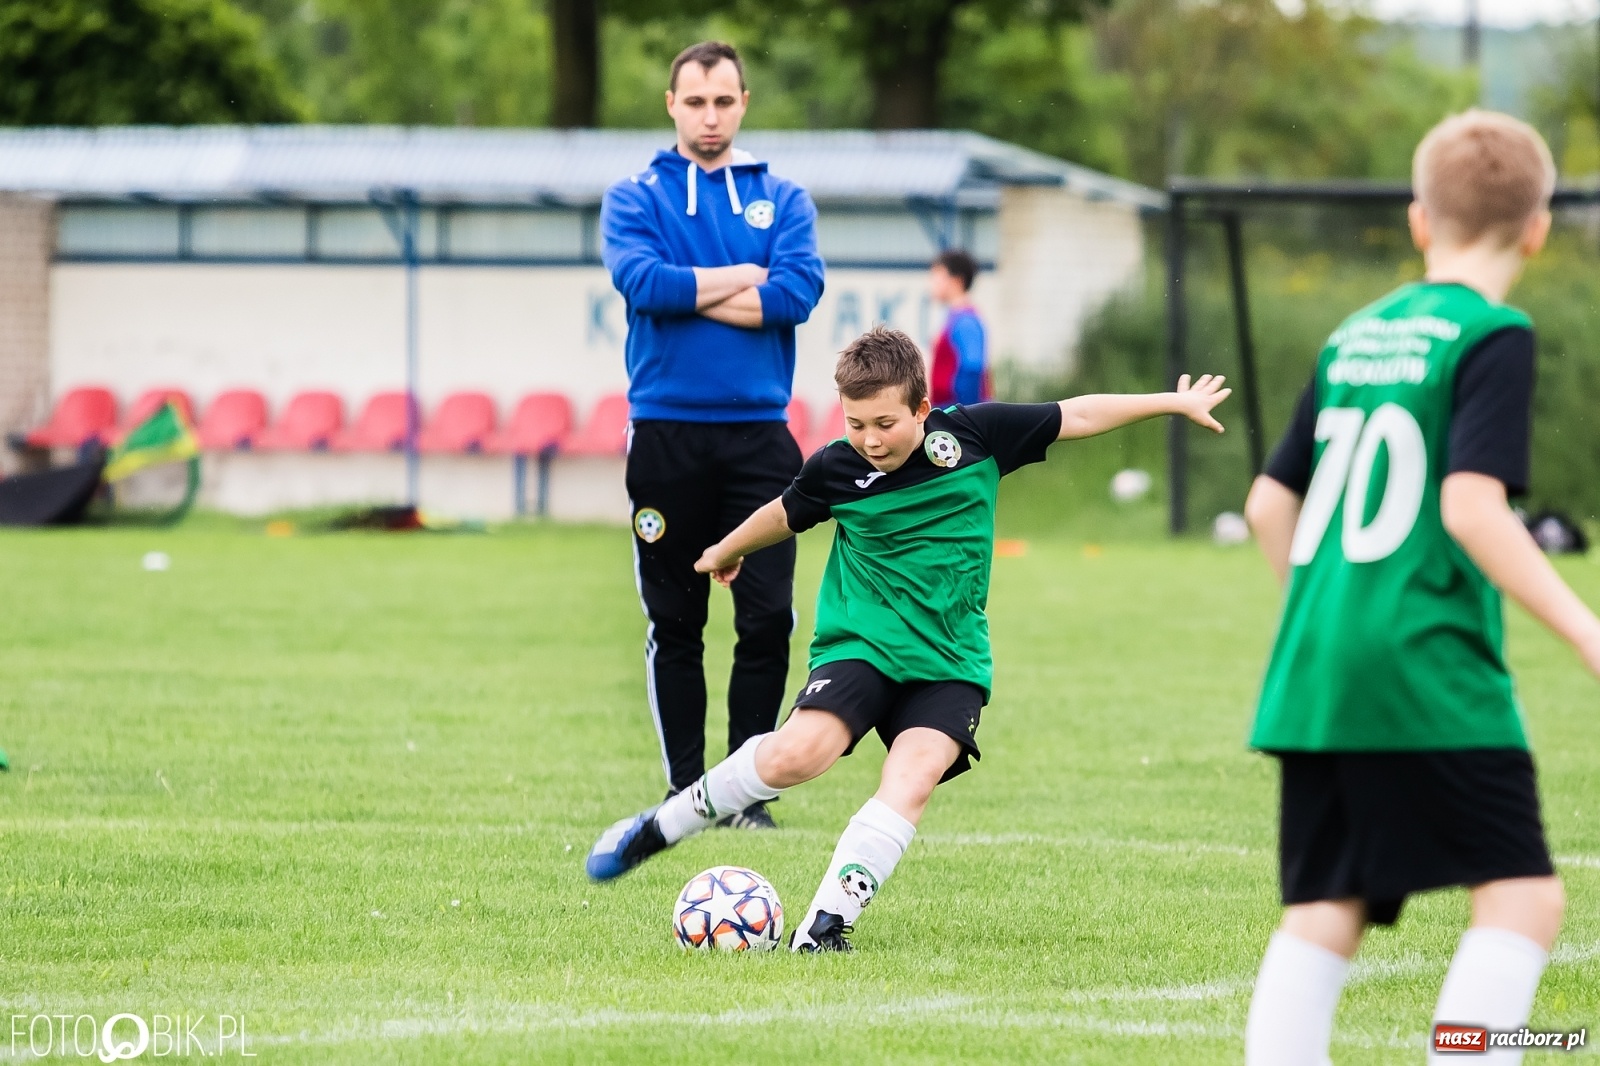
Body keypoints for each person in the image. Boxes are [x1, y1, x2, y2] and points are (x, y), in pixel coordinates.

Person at [587, 325, 1230, 951]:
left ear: (923, 408)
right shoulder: (835, 470)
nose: (869, 439)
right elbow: (782, 514)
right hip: (862, 646)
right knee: (797, 756)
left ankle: (826, 926)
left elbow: (1077, 414)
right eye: (855, 423)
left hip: (950, 659)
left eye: (885, 424)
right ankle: (659, 828)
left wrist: (1173, 402)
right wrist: (724, 552)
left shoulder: (975, 436)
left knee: (914, 775)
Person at [1240, 110, 1600, 1065]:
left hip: (1318, 665)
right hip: (1426, 663)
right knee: (1522, 896)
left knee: (1326, 908)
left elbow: (1268, 505)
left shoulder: (1354, 334)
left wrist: (1331, 611)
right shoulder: (1493, 334)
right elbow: (1473, 508)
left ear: (1417, 220)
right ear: (1538, 228)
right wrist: (1584, 628)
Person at [600, 41, 826, 828]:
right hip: (666, 437)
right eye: (695, 102)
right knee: (678, 621)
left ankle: (746, 796)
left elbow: (798, 292)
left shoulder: (784, 197)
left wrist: (695, 289)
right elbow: (641, 283)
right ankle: (686, 788)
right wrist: (744, 275)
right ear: (671, 104)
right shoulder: (635, 196)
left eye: (723, 101)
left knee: (766, 619)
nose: (709, 116)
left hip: (760, 440)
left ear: (744, 102)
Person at [928, 249, 990, 407]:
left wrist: (965, 415)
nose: (932, 283)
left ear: (957, 280)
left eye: (938, 277)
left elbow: (972, 369)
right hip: (949, 411)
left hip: (957, 413)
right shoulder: (954, 318)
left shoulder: (965, 321)